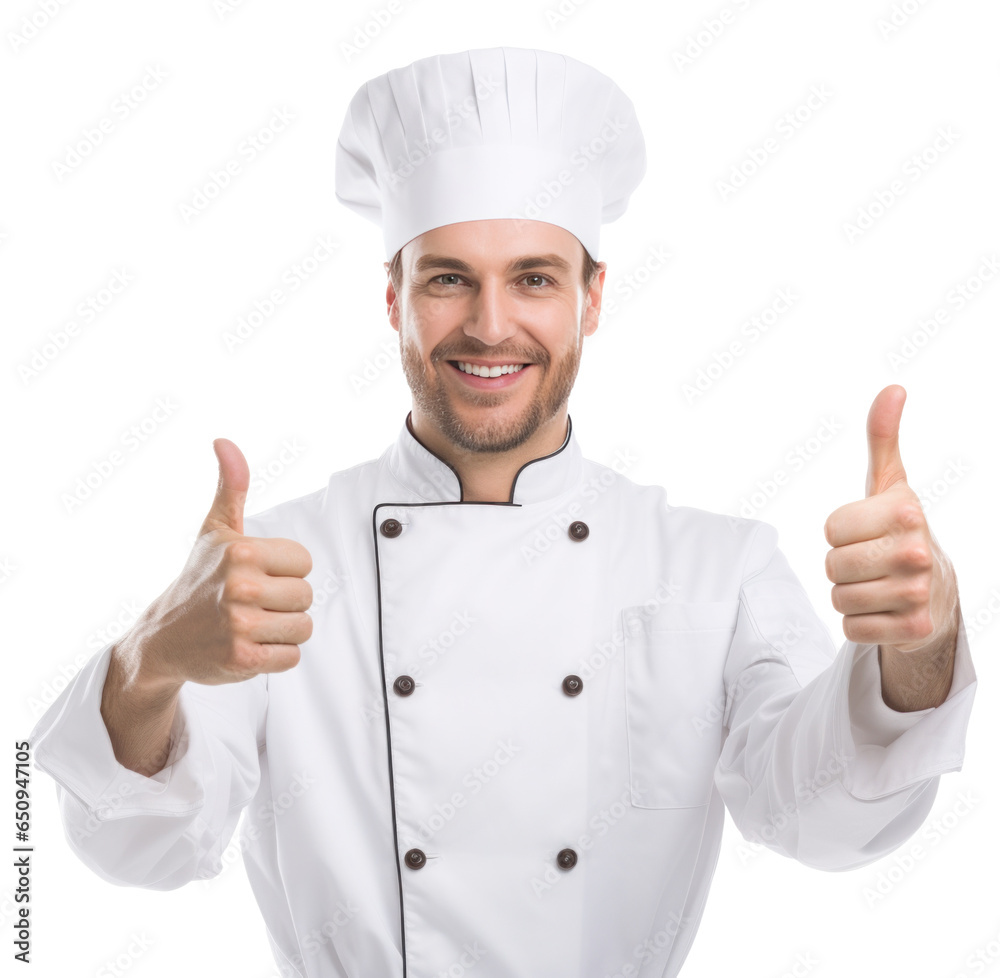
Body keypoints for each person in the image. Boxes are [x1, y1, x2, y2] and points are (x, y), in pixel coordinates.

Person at [30, 46, 976, 978]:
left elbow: (826, 816)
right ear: (393, 295)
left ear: (591, 299)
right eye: (448, 278)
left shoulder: (712, 568)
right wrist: (150, 658)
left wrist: (918, 643)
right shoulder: (277, 566)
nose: (490, 324)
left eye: (533, 277)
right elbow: (137, 848)